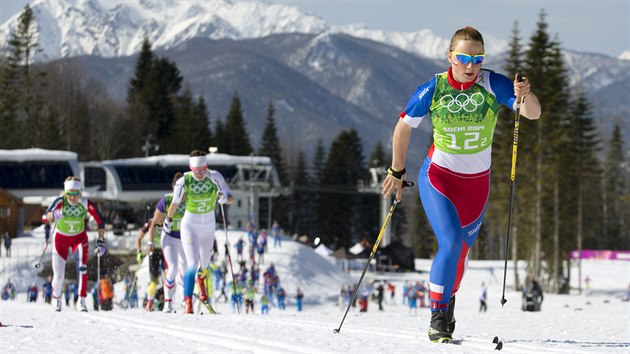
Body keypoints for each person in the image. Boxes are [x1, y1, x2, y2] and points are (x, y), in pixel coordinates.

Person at [381, 26, 541, 343]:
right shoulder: (435, 88)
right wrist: (397, 170)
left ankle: (447, 299)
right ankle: (438, 316)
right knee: (451, 242)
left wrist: (525, 95)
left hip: (476, 185)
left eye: (477, 58)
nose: (470, 66)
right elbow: (403, 126)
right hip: (438, 177)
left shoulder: (492, 83)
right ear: (450, 56)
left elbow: (532, 114)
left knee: (461, 254)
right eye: (464, 58)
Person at [163, 150, 233, 314]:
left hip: (208, 228)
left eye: (203, 170)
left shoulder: (215, 176)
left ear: (207, 166)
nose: (200, 174)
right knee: (192, 264)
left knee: (205, 266)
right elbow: (174, 203)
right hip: (190, 227)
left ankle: (201, 285)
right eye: (197, 171)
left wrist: (224, 198)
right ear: (191, 168)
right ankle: (188, 303)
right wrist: (168, 220)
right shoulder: (184, 181)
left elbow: (230, 197)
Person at [44, 176, 106, 312]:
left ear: (81, 193)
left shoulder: (85, 203)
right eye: (69, 194)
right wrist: (54, 214)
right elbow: (46, 215)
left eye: (76, 194)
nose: (72, 198)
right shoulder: (61, 201)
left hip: (79, 239)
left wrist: (101, 240)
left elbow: (101, 220)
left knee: (83, 268)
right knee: (59, 276)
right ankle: (56, 298)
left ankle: (82, 301)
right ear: (65, 193)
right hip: (61, 239)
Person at [140, 172, 188, 313]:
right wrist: (150, 243)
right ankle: (167, 302)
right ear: (174, 187)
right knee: (171, 269)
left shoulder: (190, 200)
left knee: (185, 271)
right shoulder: (167, 201)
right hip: (169, 239)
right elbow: (154, 223)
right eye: (178, 188)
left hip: (184, 239)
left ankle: (186, 301)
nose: (181, 192)